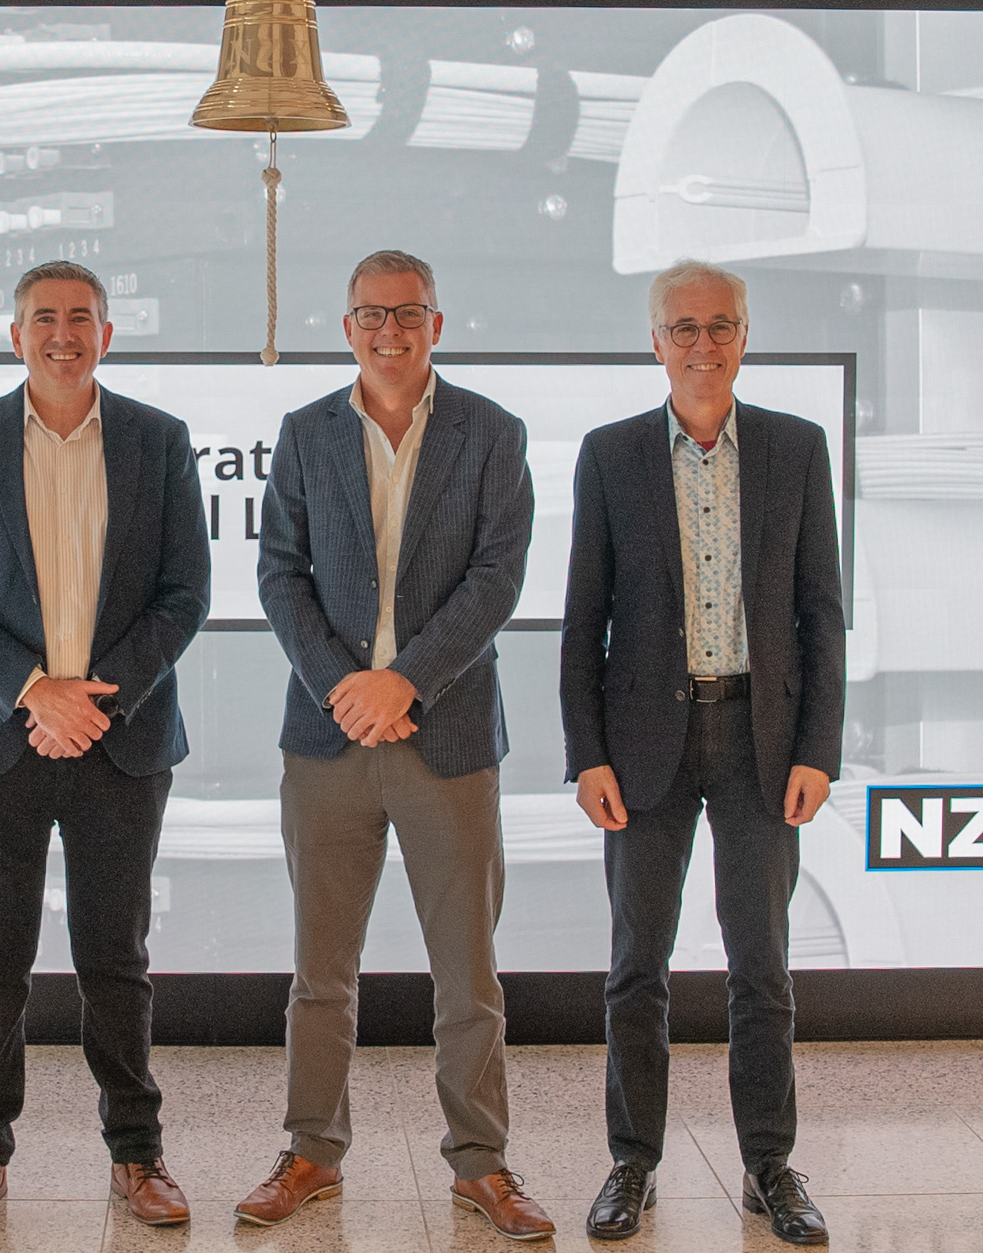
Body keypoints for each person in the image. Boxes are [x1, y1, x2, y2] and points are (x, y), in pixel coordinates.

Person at [238, 250, 552, 1242]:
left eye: (406, 313)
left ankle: (481, 1164)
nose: (388, 330)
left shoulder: (490, 433)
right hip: (327, 739)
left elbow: (495, 578)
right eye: (369, 314)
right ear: (346, 326)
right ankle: (310, 1152)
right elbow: (278, 574)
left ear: (435, 321)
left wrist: (404, 679)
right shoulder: (303, 434)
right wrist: (345, 684)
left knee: (466, 973)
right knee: (318, 971)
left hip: (444, 735)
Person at [0, 260, 210, 1234]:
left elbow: (182, 593)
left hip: (118, 741)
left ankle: (137, 1152)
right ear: (15, 337)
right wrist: (34, 691)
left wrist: (92, 702)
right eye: (43, 318)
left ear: (107, 335)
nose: (62, 333)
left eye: (80, 317)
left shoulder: (157, 442)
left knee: (112, 957)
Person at [560, 259, 845, 1245]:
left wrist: (819, 747)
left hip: (762, 745)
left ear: (741, 334)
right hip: (642, 747)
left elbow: (820, 615)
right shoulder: (607, 456)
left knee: (760, 966)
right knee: (634, 964)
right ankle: (629, 1161)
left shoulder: (795, 450)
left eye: (717, 325)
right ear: (654, 342)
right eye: (680, 328)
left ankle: (769, 1163)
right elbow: (582, 619)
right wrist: (585, 753)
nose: (700, 344)